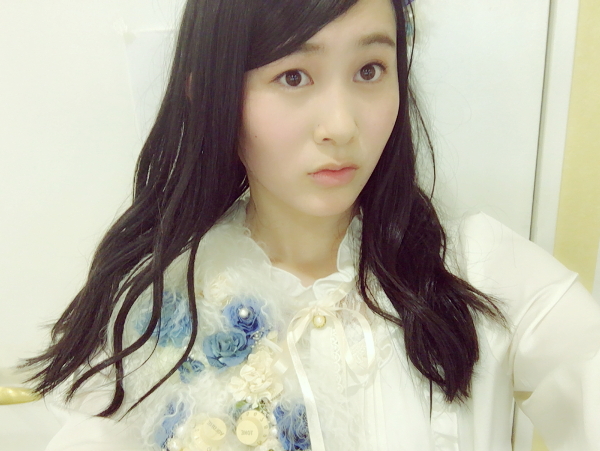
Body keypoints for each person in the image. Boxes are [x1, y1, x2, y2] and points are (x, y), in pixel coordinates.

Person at [25, 0, 600, 449]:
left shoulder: (481, 269)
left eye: (370, 70)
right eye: (294, 76)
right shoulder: (156, 311)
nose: (341, 125)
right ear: (212, 95)